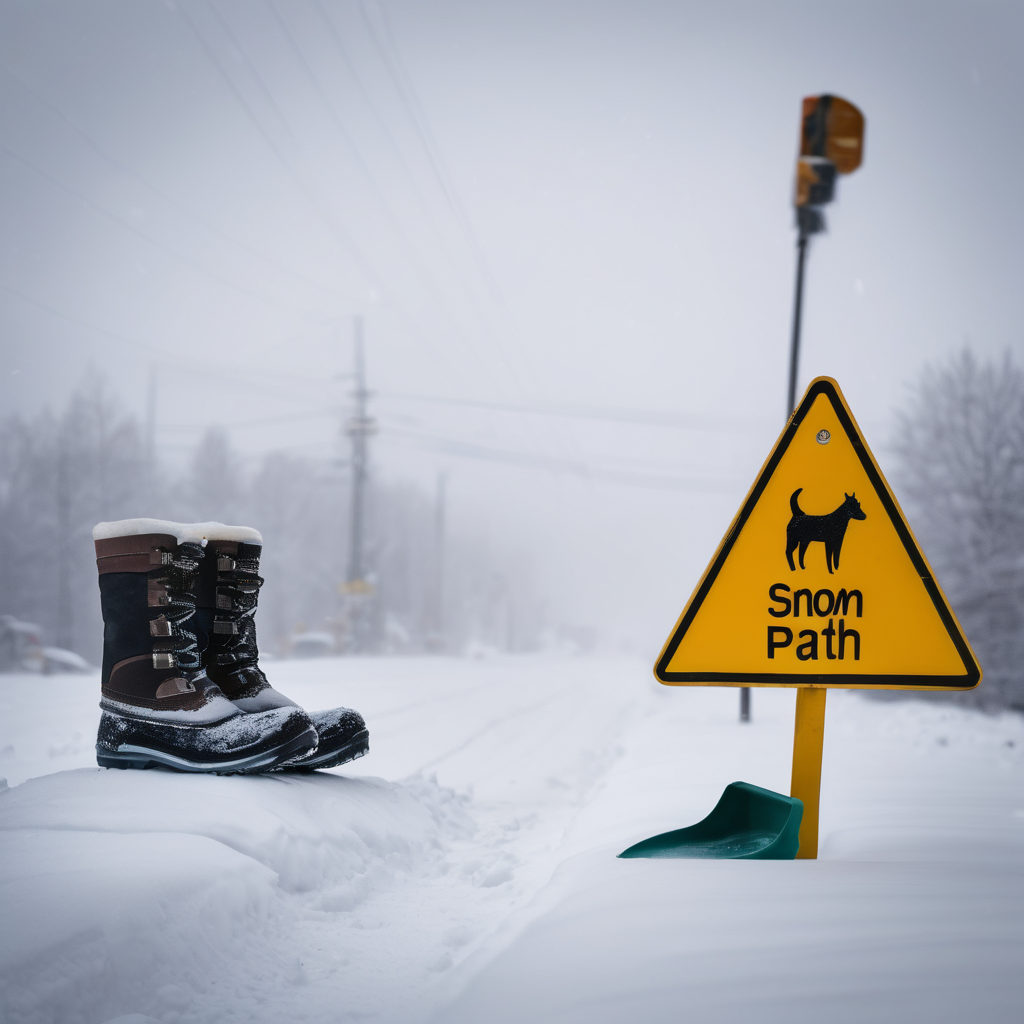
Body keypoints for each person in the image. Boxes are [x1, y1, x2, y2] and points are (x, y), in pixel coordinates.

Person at [92, 518, 368, 773]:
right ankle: (132, 711)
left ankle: (227, 680)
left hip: (199, 685)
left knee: (218, 633)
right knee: (164, 629)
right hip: (145, 699)